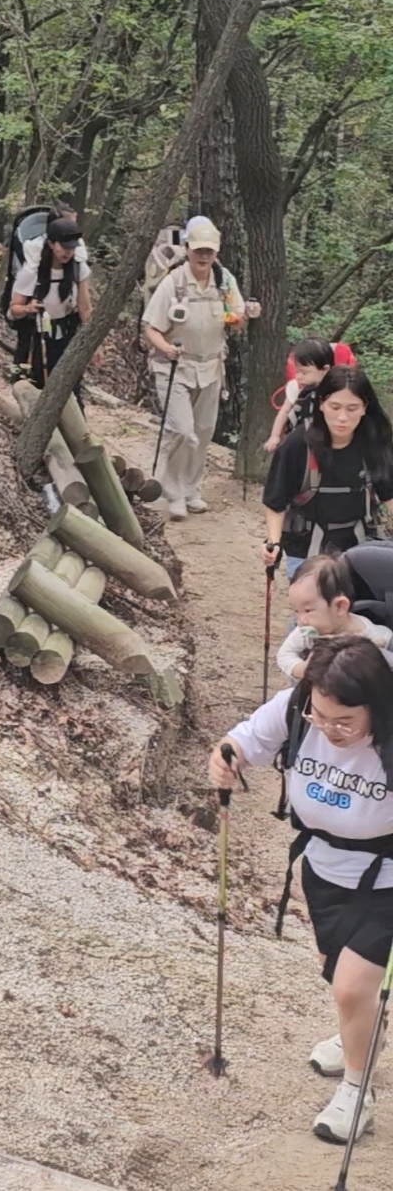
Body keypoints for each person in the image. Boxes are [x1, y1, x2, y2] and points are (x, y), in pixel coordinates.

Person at [209, 637, 393, 1143]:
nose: (328, 731)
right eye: (320, 718)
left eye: (344, 723)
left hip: (387, 875)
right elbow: (244, 740)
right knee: (339, 974)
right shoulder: (298, 703)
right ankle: (357, 1034)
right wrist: (227, 758)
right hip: (322, 866)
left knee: (352, 985)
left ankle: (358, 1092)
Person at [142, 215, 260, 521]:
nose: (204, 255)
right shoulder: (174, 282)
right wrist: (165, 348)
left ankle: (191, 489)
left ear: (216, 251)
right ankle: (175, 493)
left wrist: (246, 313)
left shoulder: (225, 282)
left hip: (211, 367)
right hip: (174, 367)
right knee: (183, 430)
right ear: (188, 249)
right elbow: (151, 328)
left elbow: (235, 323)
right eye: (198, 249)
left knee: (203, 432)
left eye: (209, 250)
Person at [261, 367, 393, 584]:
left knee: (357, 609)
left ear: (364, 408)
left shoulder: (373, 444)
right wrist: (273, 542)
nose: (343, 417)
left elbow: (389, 495)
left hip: (359, 543)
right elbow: (276, 502)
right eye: (335, 407)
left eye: (352, 408)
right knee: (313, 609)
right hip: (305, 546)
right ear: (321, 404)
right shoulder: (298, 445)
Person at [7, 211, 93, 395]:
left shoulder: (78, 269)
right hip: (35, 337)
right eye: (63, 247)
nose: (68, 252)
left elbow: (85, 308)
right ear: (51, 244)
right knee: (33, 384)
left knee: (70, 387)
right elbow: (14, 309)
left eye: (72, 248)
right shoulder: (31, 271)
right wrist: (28, 308)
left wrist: (95, 344)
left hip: (66, 333)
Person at [277, 554, 392, 681]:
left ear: (340, 606)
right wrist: (301, 669)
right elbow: (284, 654)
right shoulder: (307, 634)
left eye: (308, 610)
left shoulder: (372, 635)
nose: (300, 621)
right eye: (296, 611)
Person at [265, 338, 335, 452]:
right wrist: (275, 436)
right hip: (300, 438)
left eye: (304, 372)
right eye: (297, 371)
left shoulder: (335, 387)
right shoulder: (296, 388)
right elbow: (284, 411)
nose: (299, 377)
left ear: (325, 369)